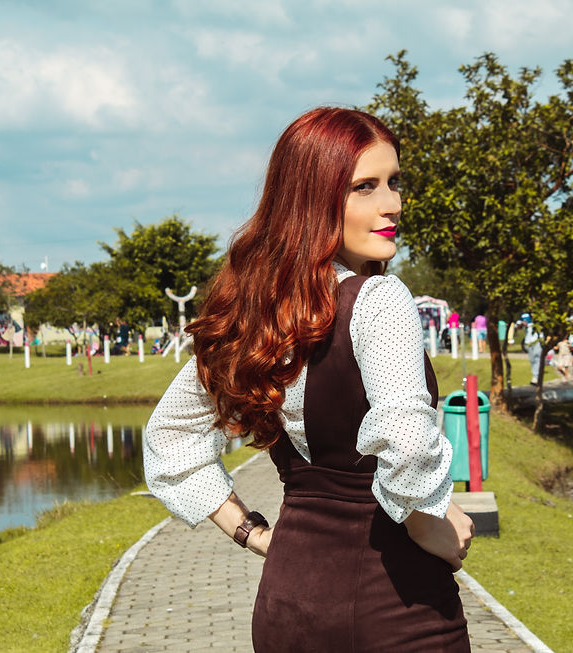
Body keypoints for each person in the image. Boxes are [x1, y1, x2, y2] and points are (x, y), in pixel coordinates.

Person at [144, 108, 473, 651]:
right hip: (393, 605)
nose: (392, 204)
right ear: (312, 199)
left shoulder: (255, 315)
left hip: (287, 602)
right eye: (364, 187)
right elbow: (409, 442)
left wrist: (252, 533)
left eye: (394, 182)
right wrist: (426, 522)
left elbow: (170, 437)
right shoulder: (380, 300)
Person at [521, 312, 543, 385]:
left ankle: (536, 377)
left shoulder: (536, 323)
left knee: (537, 359)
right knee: (532, 360)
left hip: (536, 341)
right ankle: (535, 376)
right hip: (529, 342)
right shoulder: (526, 325)